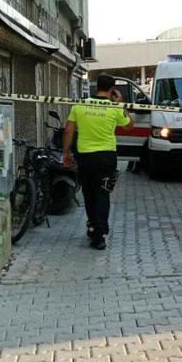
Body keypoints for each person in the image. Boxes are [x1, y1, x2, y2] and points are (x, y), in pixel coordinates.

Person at [63, 73, 132, 250]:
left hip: (85, 157)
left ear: (96, 87)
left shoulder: (80, 105)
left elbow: (69, 130)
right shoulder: (114, 108)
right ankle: (99, 235)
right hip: (106, 157)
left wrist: (66, 152)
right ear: (112, 90)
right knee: (103, 194)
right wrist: (121, 104)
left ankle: (92, 226)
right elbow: (129, 125)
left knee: (88, 193)